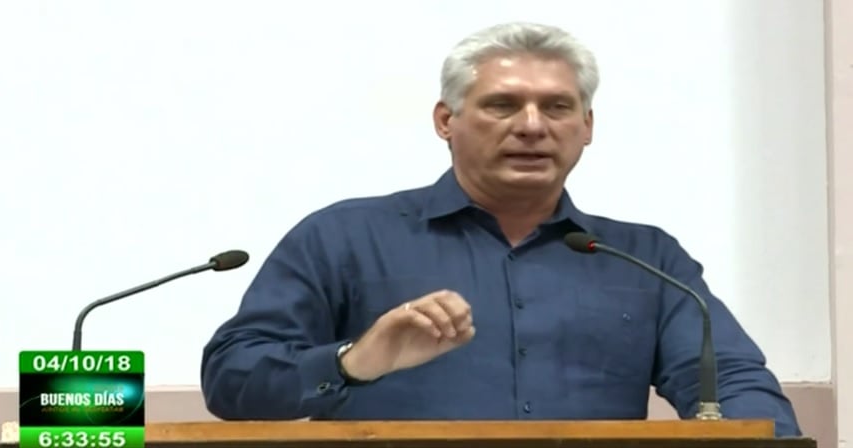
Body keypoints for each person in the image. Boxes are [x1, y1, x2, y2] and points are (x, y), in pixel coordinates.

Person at [199, 21, 801, 436]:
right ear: (446, 120)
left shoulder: (643, 257)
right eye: (502, 105)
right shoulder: (344, 238)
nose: (532, 126)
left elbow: (731, 382)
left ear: (587, 126)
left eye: (557, 107)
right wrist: (352, 361)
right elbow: (232, 380)